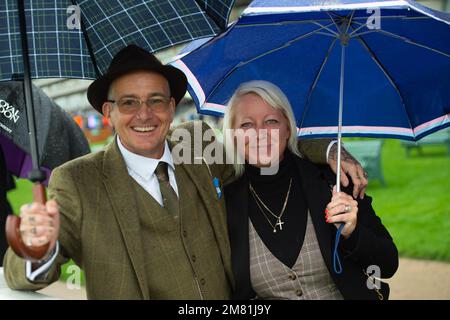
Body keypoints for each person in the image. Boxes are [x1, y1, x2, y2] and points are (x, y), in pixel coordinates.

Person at [3, 45, 367, 299]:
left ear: (172, 106)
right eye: (128, 102)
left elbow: (264, 143)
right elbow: (19, 271)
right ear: (108, 113)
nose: (144, 114)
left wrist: (332, 149)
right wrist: (37, 246)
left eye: (156, 100)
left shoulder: (196, 141)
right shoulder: (77, 181)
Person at [223, 81, 398, 300]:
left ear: (288, 128)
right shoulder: (225, 202)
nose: (260, 133)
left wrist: (352, 234)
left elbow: (388, 264)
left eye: (271, 121)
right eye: (247, 125)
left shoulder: (333, 179)